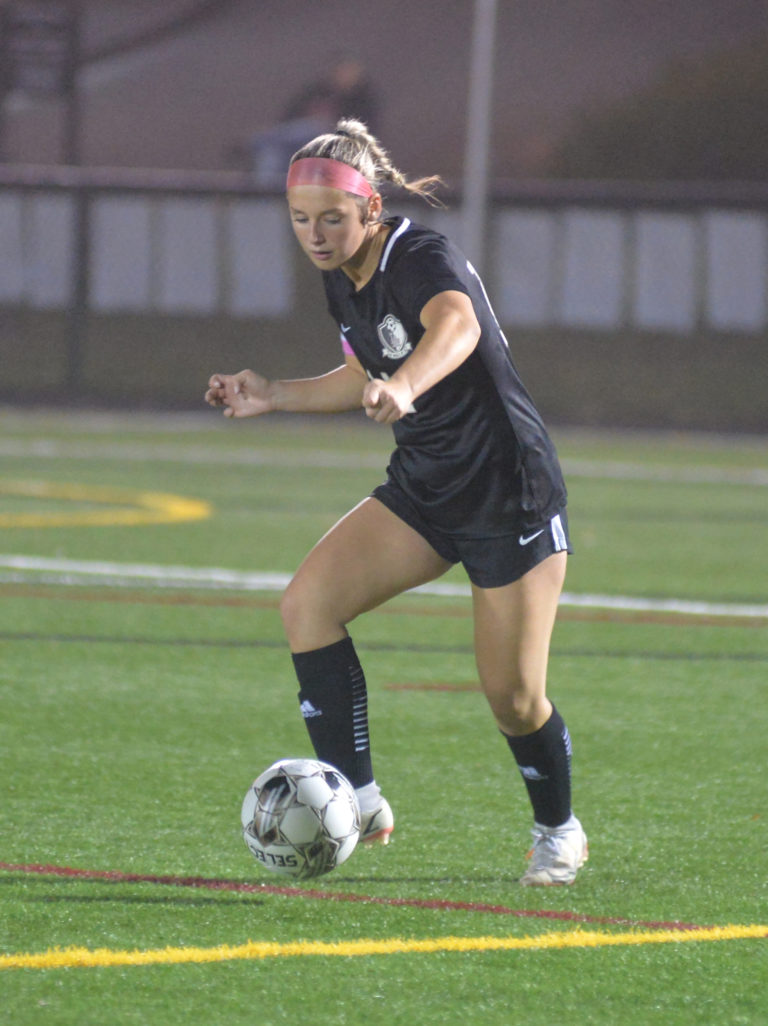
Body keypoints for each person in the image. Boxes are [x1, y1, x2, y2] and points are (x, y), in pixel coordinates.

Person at [206, 118, 588, 885]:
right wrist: (273, 393)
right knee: (306, 607)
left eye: (332, 219)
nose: (315, 234)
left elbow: (456, 324)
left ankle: (559, 830)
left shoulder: (418, 254)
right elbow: (364, 368)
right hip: (426, 483)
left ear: (371, 209)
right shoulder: (341, 273)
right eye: (301, 220)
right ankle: (362, 798)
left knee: (514, 699)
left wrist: (406, 385)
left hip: (506, 489)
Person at [247, 56, 379, 184]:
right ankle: (264, 197)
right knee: (271, 154)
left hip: (332, 142)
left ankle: (262, 139)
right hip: (300, 144)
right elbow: (291, 115)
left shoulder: (361, 100)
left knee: (310, 129)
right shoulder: (318, 92)